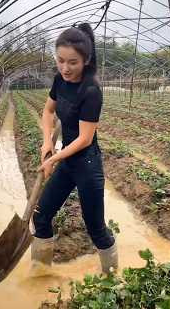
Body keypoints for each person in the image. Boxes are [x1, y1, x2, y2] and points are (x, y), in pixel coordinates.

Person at [29, 22, 118, 275]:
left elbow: (84, 139)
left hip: (87, 164)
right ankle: (40, 273)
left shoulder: (91, 91)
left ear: (86, 61)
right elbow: (48, 111)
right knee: (41, 216)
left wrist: (53, 159)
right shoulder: (59, 80)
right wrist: (47, 141)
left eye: (73, 62)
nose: (65, 68)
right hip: (68, 161)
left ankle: (112, 275)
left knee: (95, 228)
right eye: (60, 61)